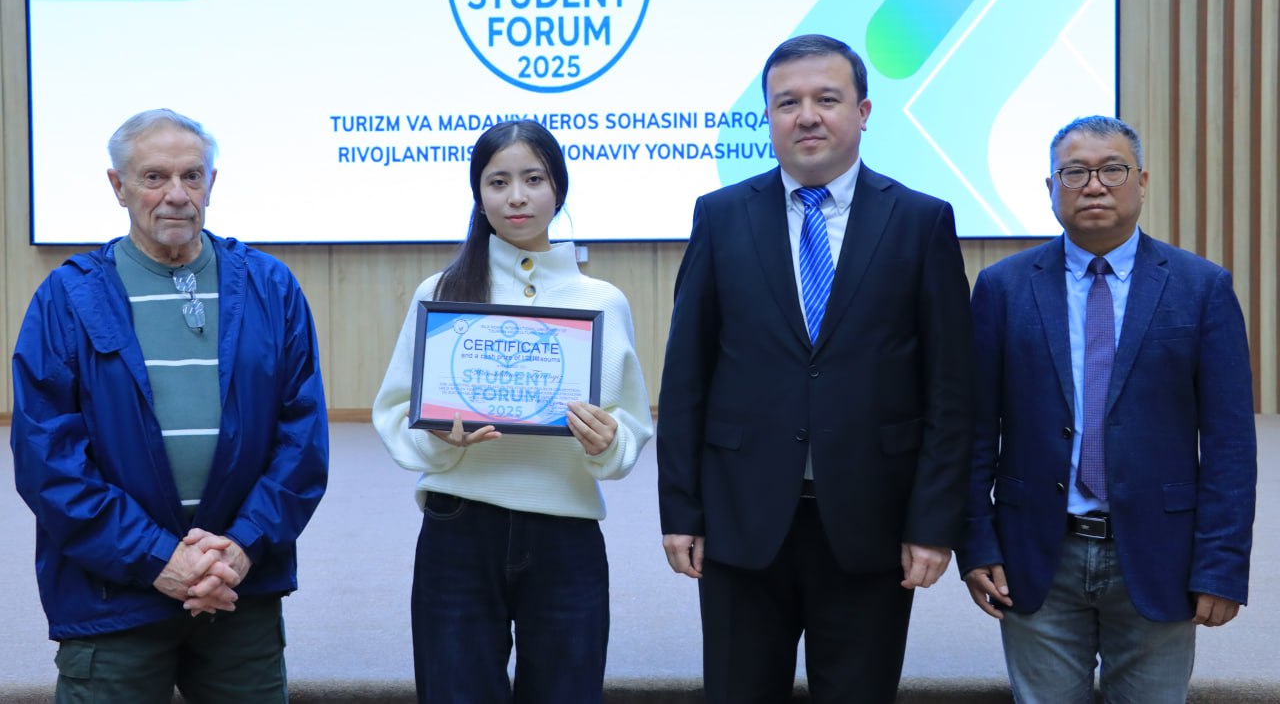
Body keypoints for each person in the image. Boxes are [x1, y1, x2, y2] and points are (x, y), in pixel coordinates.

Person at [656, 34, 974, 703]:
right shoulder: (721, 216)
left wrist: (932, 523)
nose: (806, 116)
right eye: (787, 102)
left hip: (872, 521)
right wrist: (680, 510)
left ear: (863, 111)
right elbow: (686, 377)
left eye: (826, 99)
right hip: (741, 519)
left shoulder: (920, 221)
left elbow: (949, 390)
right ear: (768, 117)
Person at [10, 108, 329, 703]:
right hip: (112, 595)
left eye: (192, 176)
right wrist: (158, 559)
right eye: (155, 177)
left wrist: (240, 548)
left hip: (237, 587)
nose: (177, 195)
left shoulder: (271, 287)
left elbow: (302, 440)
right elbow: (46, 457)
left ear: (212, 182)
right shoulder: (68, 297)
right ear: (119, 186)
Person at [959, 115, 1257, 702]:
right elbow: (973, 430)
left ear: (1141, 182)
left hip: (1160, 552)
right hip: (1035, 551)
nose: (1094, 185)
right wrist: (976, 542)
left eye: (1112, 170)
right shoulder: (1003, 288)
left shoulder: (1201, 288)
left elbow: (1230, 443)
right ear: (1050, 188)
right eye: (1074, 172)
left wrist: (1221, 563)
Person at [372, 119, 653, 703]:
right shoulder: (442, 292)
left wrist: (607, 444)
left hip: (566, 535)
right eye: (498, 182)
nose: (517, 197)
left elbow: (629, 425)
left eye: (534, 179)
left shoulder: (602, 301)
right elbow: (397, 411)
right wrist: (440, 438)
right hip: (458, 529)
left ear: (559, 189)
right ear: (479, 195)